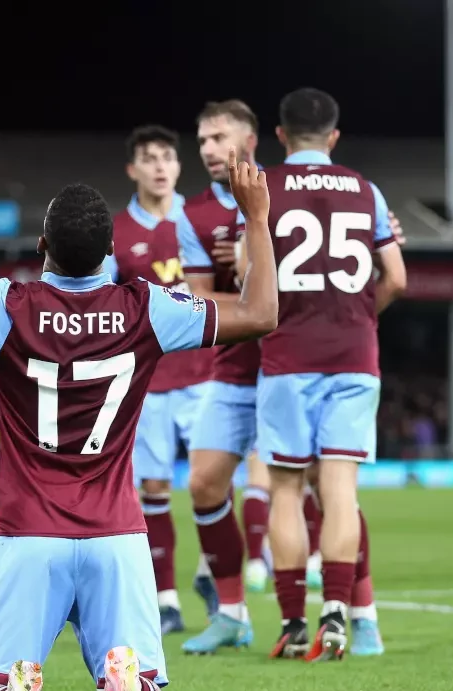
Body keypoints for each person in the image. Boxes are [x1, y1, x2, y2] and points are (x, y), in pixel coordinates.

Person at [0, 151, 277, 691]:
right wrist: (255, 217)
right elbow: (261, 312)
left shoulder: (5, 306)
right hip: (118, 537)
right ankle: (128, 688)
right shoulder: (147, 306)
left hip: (27, 535)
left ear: (41, 245)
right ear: (112, 251)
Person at [241, 88, 406, 661]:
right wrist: (360, 314)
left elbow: (247, 275)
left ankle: (291, 624)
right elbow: (398, 277)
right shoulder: (366, 189)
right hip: (355, 357)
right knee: (340, 491)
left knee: (285, 488)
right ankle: (337, 612)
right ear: (334, 137)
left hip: (287, 358)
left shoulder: (266, 186)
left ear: (281, 135)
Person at [104, 125, 214, 634]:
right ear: (133, 169)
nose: (159, 166)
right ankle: (167, 600)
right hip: (148, 381)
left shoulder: (201, 221)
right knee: (153, 487)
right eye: (148, 158)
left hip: (207, 374)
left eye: (167, 156)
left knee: (209, 484)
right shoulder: (117, 233)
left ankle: (216, 578)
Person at [176, 100, 266, 653]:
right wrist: (257, 291)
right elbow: (200, 300)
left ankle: (350, 608)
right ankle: (232, 612)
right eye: (202, 138)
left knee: (318, 491)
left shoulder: (286, 194)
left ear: (250, 137)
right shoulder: (194, 216)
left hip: (292, 366)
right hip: (231, 369)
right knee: (205, 483)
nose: (208, 148)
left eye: (218, 136)